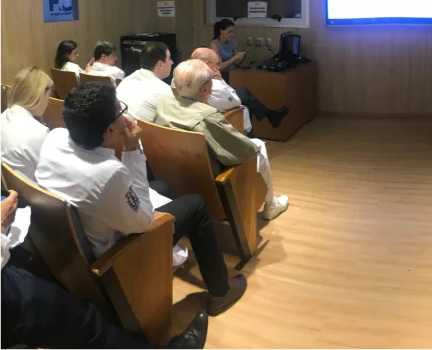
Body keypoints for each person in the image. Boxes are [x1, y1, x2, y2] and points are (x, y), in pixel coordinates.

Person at [35, 82, 247, 316]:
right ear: (109, 131)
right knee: (197, 205)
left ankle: (165, 259)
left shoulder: (55, 138)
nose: (124, 115)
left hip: (78, 238)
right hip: (115, 253)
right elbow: (144, 220)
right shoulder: (107, 173)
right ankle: (221, 292)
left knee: (162, 186)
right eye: (120, 110)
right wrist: (131, 149)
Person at [0, 191, 210, 350]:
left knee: (77, 321)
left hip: (40, 267)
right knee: (85, 324)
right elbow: (144, 220)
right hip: (112, 259)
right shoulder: (109, 172)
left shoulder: (50, 154)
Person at [155, 60, 289, 220]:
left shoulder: (164, 105)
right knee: (258, 145)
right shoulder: (209, 117)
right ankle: (271, 205)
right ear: (205, 89)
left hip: (177, 177)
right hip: (215, 180)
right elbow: (245, 150)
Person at [189, 48, 290, 131]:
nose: (218, 67)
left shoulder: (183, 79)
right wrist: (221, 81)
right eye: (217, 64)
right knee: (245, 100)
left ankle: (270, 116)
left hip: (199, 119)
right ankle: (270, 117)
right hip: (220, 117)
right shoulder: (213, 85)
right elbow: (235, 100)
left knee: (247, 101)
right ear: (207, 64)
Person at [0, 67, 52, 181]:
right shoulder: (39, 133)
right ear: (39, 96)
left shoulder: (2, 117)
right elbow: (48, 175)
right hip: (28, 189)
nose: (48, 101)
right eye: (48, 95)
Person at [116, 42, 174, 122]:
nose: (172, 62)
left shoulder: (126, 80)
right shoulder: (165, 90)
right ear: (160, 64)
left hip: (118, 126)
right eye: (169, 59)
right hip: (139, 129)